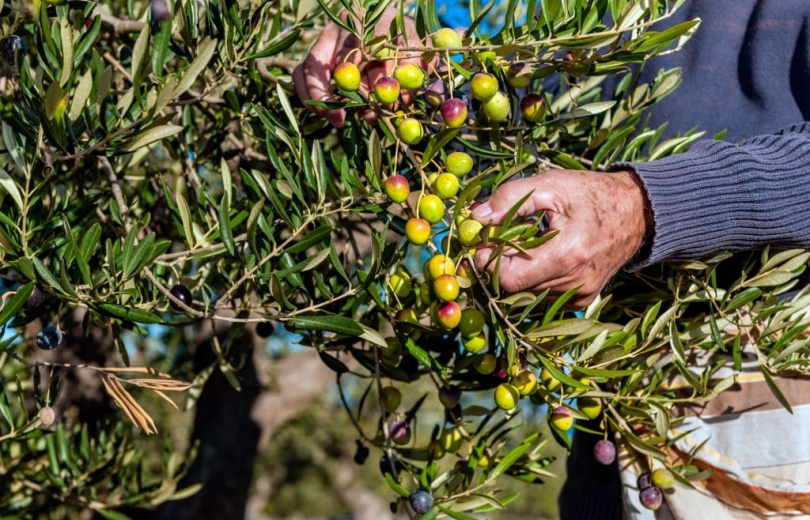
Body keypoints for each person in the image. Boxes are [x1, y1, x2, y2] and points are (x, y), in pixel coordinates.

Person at [294, 1, 810, 518]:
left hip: (771, 373)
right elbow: (537, 127)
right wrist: (435, 73)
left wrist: (641, 206)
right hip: (612, 399)